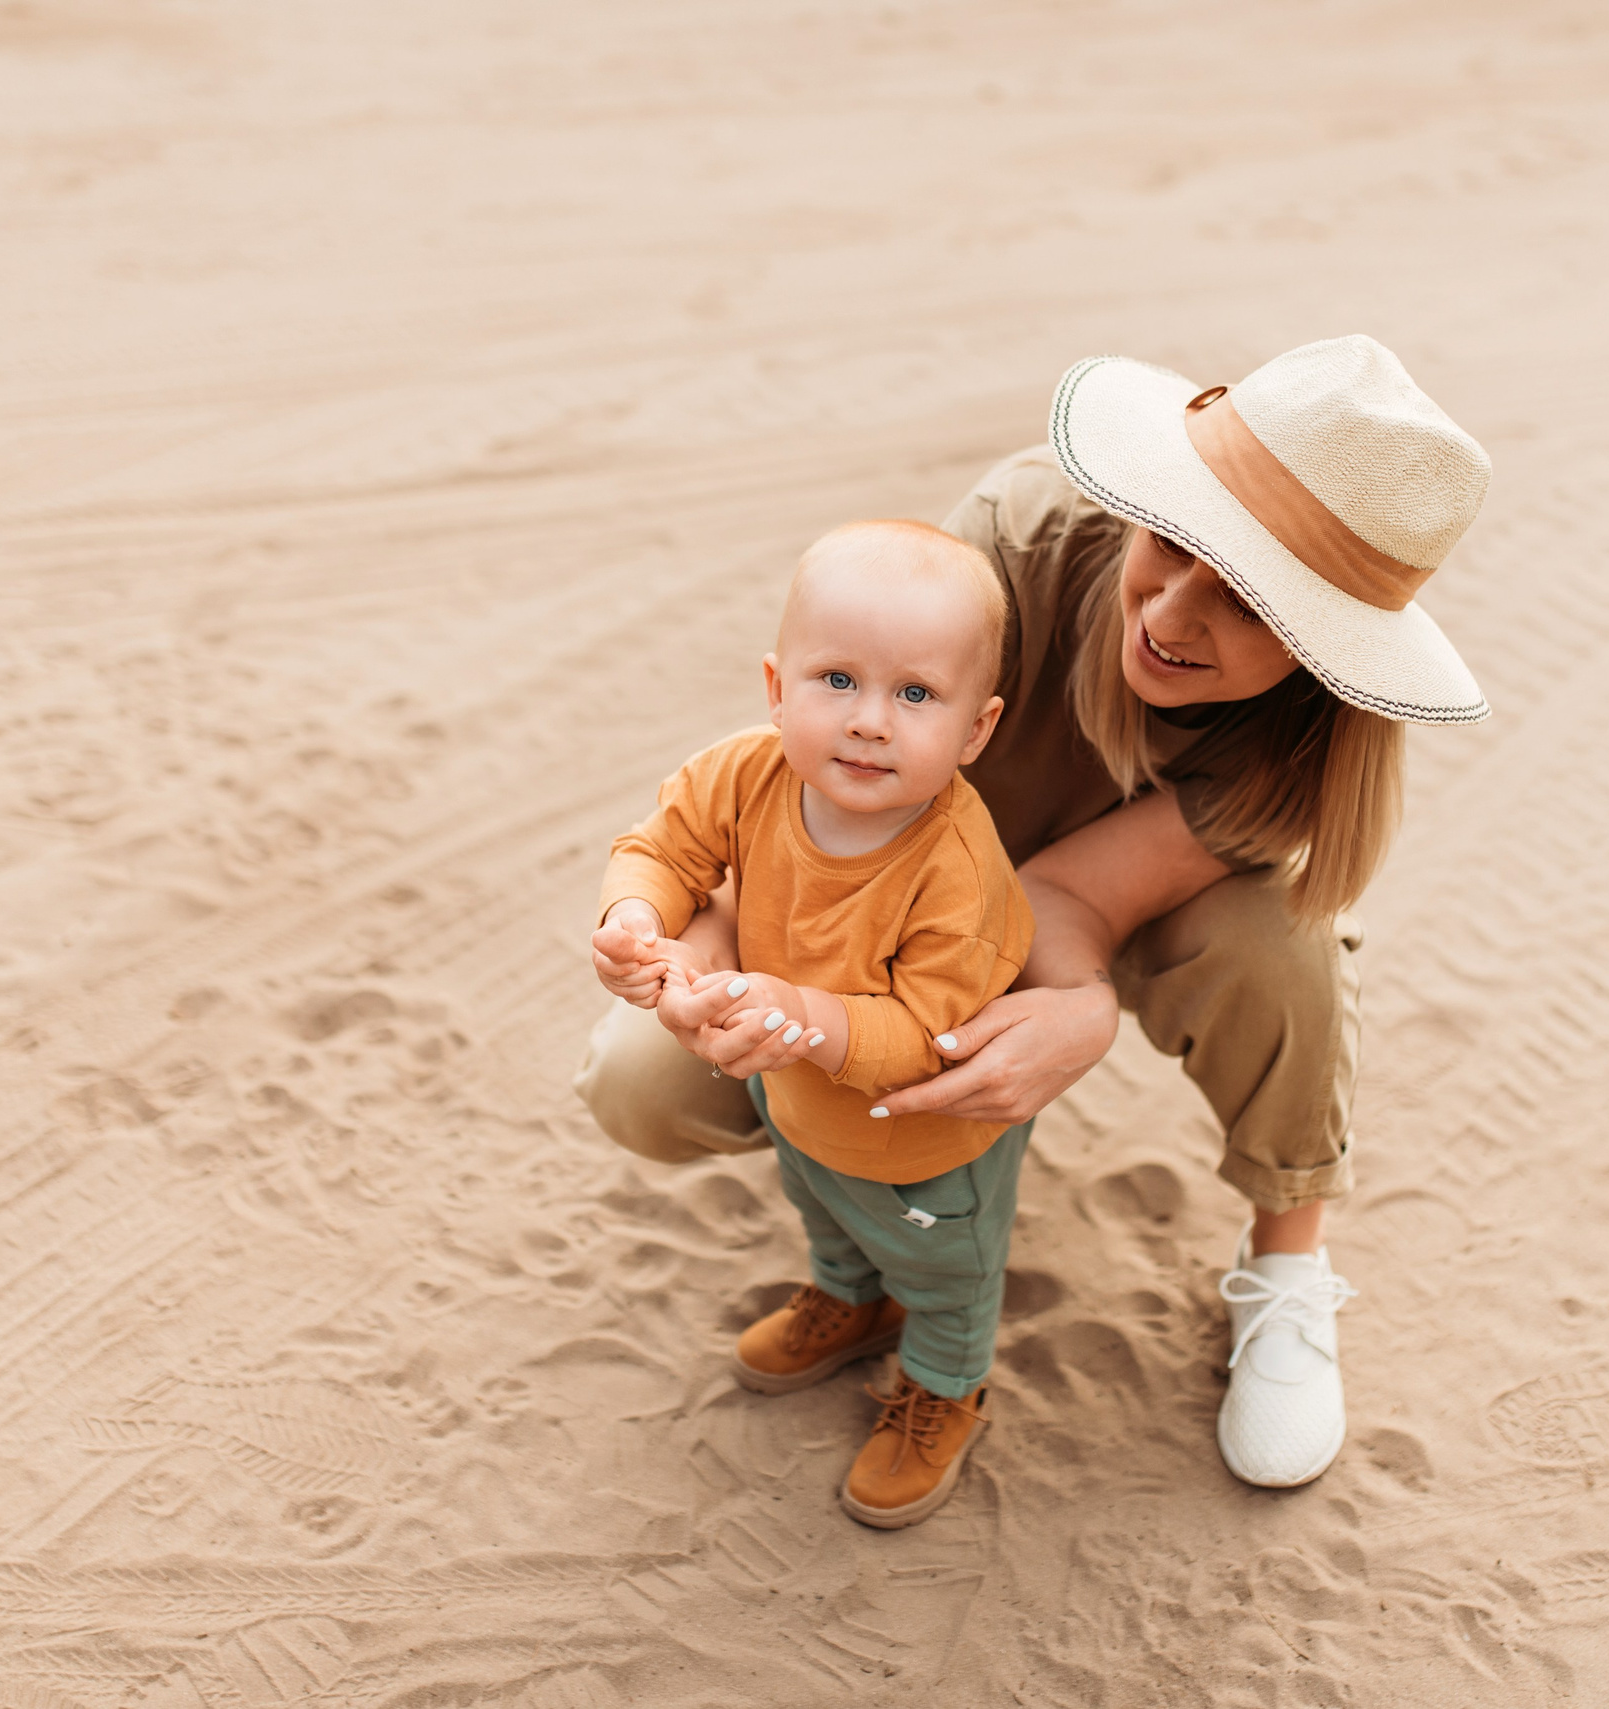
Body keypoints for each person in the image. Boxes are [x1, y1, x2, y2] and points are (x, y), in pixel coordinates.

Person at [577, 335, 1494, 1489]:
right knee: (645, 1082)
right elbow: (814, 771)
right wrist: (706, 944)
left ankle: (1286, 1265)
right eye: (1175, 543)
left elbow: (1066, 894)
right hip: (903, 888)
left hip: (1068, 910)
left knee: (1282, 948)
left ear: (1324, 645)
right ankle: (852, 1249)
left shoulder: (1300, 751)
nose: (1171, 614)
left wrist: (1078, 1007)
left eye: (1249, 602)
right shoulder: (1021, 541)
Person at [589, 519, 1035, 1528]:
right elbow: (662, 847)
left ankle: (945, 1382)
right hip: (796, 1102)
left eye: (915, 694)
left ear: (975, 730)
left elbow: (926, 1035)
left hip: (927, 1142)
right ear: (776, 686)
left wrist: (799, 1011)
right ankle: (851, 1295)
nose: (869, 720)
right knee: (821, 1205)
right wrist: (635, 920)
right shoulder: (747, 774)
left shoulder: (958, 870)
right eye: (837, 679)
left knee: (948, 1273)